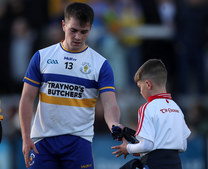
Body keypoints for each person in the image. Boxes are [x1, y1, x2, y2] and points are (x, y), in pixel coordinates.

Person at [19, 2, 121, 169]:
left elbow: (110, 104)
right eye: (73, 30)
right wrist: (25, 137)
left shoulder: (100, 64)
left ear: (91, 28)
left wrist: (115, 126)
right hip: (43, 142)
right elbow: (26, 99)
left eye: (84, 32)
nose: (78, 37)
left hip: (78, 142)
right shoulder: (42, 57)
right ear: (63, 25)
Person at [112, 59, 191, 169]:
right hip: (176, 164)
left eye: (140, 87)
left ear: (148, 84)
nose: (140, 91)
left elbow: (147, 145)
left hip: (154, 164)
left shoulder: (147, 108)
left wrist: (128, 148)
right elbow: (183, 145)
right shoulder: (176, 108)